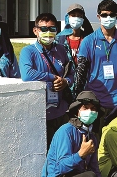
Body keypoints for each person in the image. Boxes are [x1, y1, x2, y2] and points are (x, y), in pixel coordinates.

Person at [19, 12, 75, 146]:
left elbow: (72, 73)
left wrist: (65, 82)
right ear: (35, 31)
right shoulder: (28, 51)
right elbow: (27, 74)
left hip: (61, 112)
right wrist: (52, 77)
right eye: (43, 29)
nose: (48, 32)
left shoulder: (61, 50)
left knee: (64, 148)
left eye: (52, 29)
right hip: (40, 114)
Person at [75, 0, 117, 121]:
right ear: (98, 16)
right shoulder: (88, 41)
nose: (108, 18)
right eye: (104, 15)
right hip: (94, 103)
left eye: (112, 15)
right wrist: (79, 100)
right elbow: (81, 74)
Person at [57, 3, 92, 72]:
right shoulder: (59, 39)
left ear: (83, 19)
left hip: (85, 77)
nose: (76, 18)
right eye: (73, 15)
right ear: (68, 17)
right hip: (65, 77)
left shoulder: (89, 39)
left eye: (79, 16)